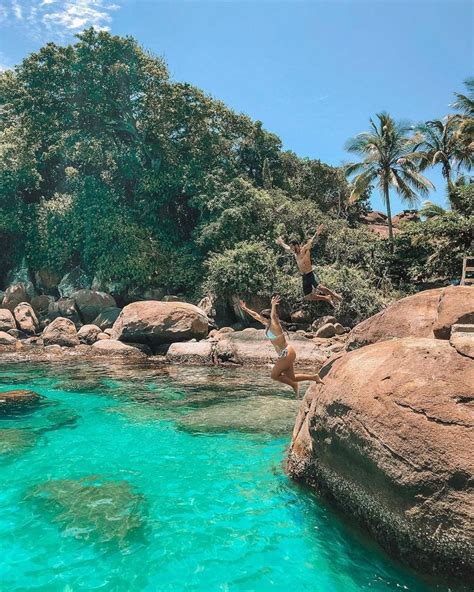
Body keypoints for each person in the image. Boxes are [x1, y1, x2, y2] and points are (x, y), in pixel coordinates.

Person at [239, 295, 323, 396]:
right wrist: (245, 309)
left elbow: (273, 316)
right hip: (284, 354)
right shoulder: (268, 325)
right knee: (292, 377)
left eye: (263, 318)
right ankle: (314, 377)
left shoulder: (275, 325)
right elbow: (256, 315)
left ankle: (293, 384)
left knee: (274, 375)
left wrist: (273, 306)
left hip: (287, 353)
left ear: (268, 318)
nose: (261, 319)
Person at [276, 225, 343, 306]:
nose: (291, 249)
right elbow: (287, 248)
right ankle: (326, 298)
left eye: (292, 247)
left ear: (296, 245)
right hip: (304, 277)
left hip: (310, 274)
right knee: (308, 297)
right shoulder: (294, 253)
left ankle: (335, 295)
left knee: (320, 287)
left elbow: (311, 242)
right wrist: (281, 243)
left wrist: (317, 233)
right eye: (291, 247)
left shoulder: (304, 250)